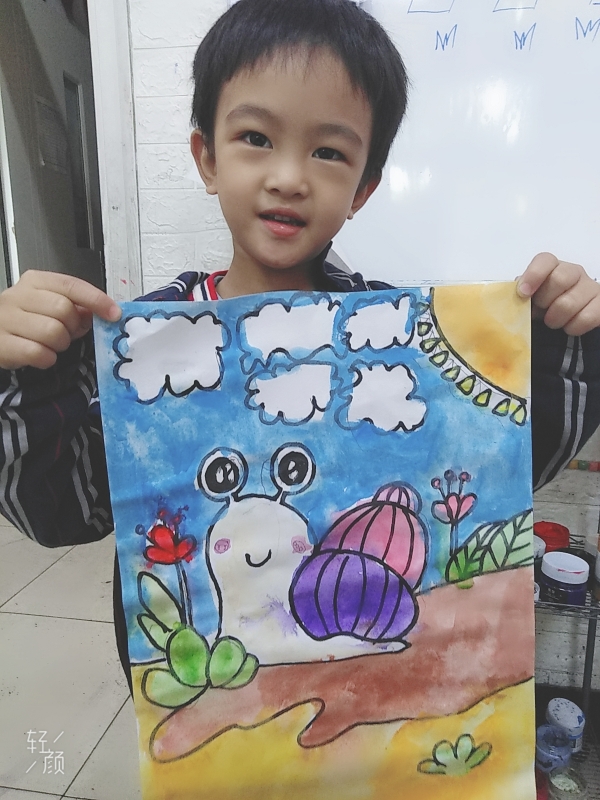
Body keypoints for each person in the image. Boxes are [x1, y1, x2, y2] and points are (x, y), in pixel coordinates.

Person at [0, 0, 599, 690]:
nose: (289, 176)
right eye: (256, 137)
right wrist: (29, 373)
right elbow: (61, 511)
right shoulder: (148, 348)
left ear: (363, 188)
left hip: (378, 721)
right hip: (212, 721)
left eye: (328, 152)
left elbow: (506, 469)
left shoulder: (402, 342)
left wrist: (565, 340)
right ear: (207, 157)